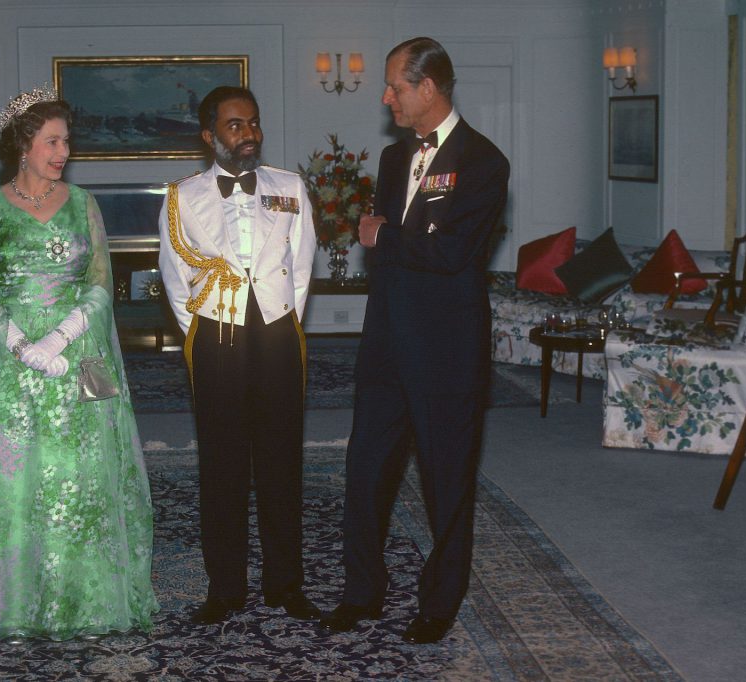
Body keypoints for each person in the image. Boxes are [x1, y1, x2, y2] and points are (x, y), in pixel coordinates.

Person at [0, 86, 158, 640]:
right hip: (13, 367)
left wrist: (58, 338)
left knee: (84, 479)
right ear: (23, 144)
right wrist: (21, 346)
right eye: (53, 141)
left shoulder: (84, 204)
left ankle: (89, 603)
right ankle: (14, 608)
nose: (64, 152)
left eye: (67, 142)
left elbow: (102, 284)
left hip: (79, 358)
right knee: (16, 483)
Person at [319, 37, 510, 644]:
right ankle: (361, 593)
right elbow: (403, 253)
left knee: (446, 479)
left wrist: (383, 236)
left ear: (428, 88)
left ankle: (439, 603)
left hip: (447, 347)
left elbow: (452, 252)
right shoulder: (393, 157)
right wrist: (393, 247)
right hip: (386, 340)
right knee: (364, 469)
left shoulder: (485, 161)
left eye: (396, 87)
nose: (386, 98)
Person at [158, 86, 318, 625]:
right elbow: (175, 277)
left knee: (281, 463)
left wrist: (281, 319)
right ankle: (225, 589)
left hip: (276, 332)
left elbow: (302, 265)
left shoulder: (289, 187)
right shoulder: (183, 196)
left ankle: (285, 584)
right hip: (216, 334)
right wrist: (205, 333)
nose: (249, 134)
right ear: (209, 136)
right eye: (235, 125)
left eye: (253, 122)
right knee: (222, 465)